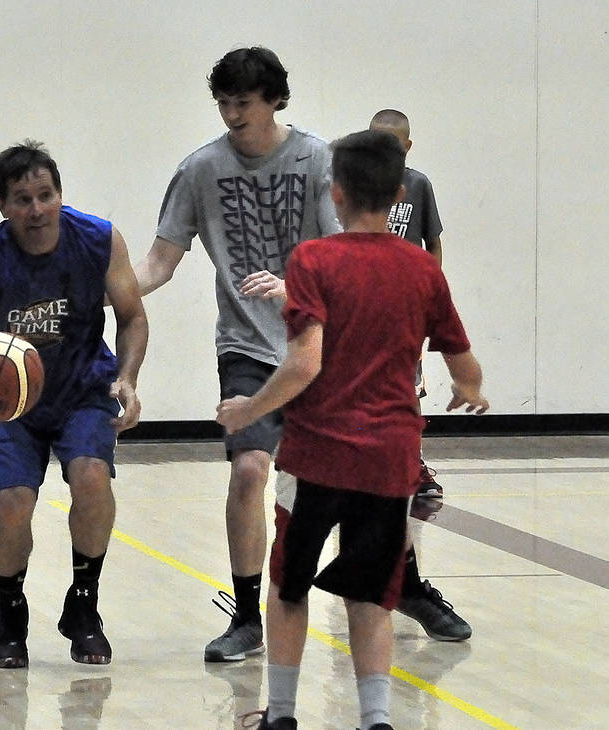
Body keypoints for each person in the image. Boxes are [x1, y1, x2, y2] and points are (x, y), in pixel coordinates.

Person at [215, 128, 489, 730]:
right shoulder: (422, 268)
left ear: (335, 192)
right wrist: (470, 390)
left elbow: (304, 363)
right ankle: (376, 719)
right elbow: (463, 363)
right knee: (371, 597)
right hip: (389, 462)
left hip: (316, 458)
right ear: (399, 195)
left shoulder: (313, 260)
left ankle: (282, 715)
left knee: (288, 586)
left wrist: (250, 409)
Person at [132, 46, 339, 662]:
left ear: (274, 99)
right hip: (246, 344)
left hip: (317, 341)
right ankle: (248, 614)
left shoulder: (317, 159)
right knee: (249, 469)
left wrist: (294, 287)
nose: (230, 114)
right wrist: (100, 289)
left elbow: (343, 259)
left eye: (242, 102)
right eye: (222, 102)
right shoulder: (200, 169)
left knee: (358, 484)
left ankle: (396, 581)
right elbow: (159, 263)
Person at [0, 141, 148, 669]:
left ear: (60, 194)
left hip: (84, 388)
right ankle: (10, 609)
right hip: (15, 402)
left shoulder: (99, 239)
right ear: (2, 206)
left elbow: (132, 316)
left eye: (46, 195)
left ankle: (84, 602)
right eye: (23, 199)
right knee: (13, 503)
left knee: (91, 476)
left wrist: (128, 379)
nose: (37, 209)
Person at [370, 109, 445, 499]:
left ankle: (413, 465)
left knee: (407, 390)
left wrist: (430, 294)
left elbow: (433, 244)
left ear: (407, 147)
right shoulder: (352, 185)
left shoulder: (418, 185)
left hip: (404, 309)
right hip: (361, 305)